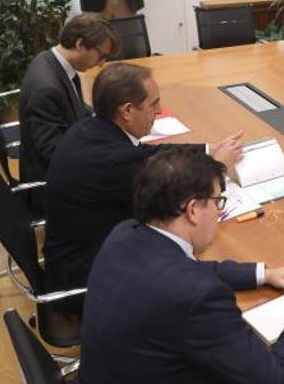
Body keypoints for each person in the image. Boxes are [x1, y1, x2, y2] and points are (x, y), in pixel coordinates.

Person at [78, 147, 284, 383]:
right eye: (218, 202)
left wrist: (263, 274)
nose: (219, 212)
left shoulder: (125, 234)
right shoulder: (198, 297)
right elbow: (275, 378)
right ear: (193, 210)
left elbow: (186, 271)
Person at [44, 63, 243, 311]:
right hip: (89, 277)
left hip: (76, 254)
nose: (159, 110)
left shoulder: (92, 129)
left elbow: (146, 155)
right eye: (153, 104)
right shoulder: (111, 160)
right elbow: (179, 200)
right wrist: (218, 167)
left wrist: (207, 150)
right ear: (127, 111)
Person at [19, 13, 119, 188]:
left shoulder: (51, 61)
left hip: (67, 163)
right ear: (80, 44)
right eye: (101, 55)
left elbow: (76, 107)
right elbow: (54, 153)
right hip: (53, 187)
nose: (102, 64)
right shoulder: (46, 89)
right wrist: (102, 151)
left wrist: (109, 118)